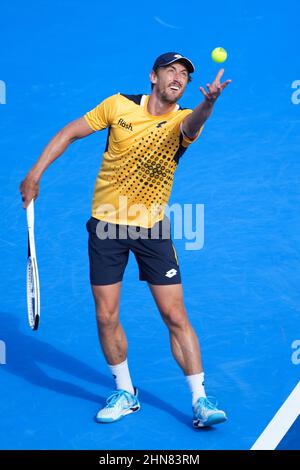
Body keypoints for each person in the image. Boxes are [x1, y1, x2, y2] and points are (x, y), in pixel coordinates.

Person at [20, 52, 231, 428]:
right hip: (106, 228)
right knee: (106, 314)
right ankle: (125, 391)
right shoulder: (117, 106)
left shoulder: (182, 120)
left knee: (174, 314)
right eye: (171, 70)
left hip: (151, 229)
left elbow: (195, 122)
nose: (178, 78)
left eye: (184, 74)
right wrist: (35, 173)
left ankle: (200, 399)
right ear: (154, 76)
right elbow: (70, 132)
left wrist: (208, 103)